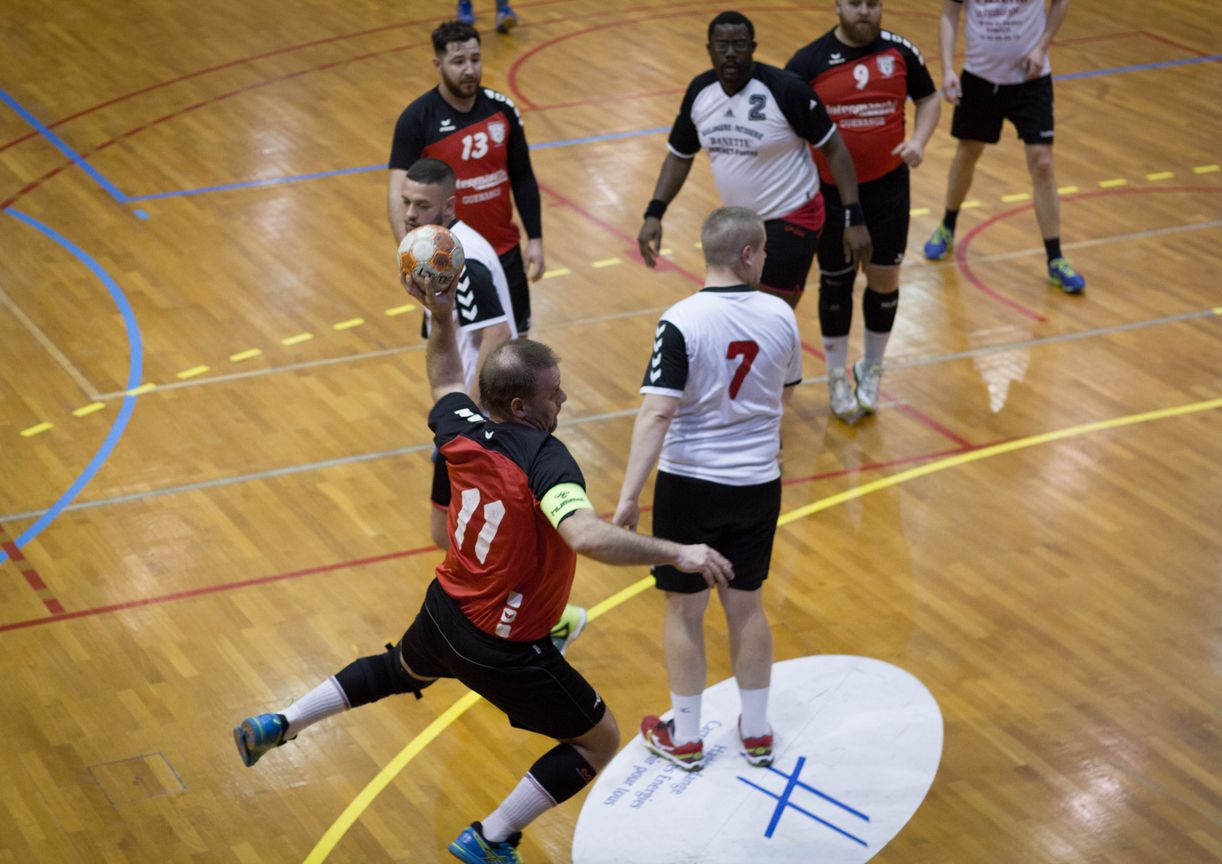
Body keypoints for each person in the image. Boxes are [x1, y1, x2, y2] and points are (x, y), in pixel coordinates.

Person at [234, 270, 733, 864]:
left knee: (398, 669)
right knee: (598, 741)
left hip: (445, 610)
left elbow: (446, 378)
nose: (564, 400)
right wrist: (677, 551)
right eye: (554, 393)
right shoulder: (546, 458)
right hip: (503, 647)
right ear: (522, 406)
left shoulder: (460, 425)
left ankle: (282, 721)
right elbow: (584, 535)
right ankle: (492, 837)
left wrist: (442, 315)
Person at [613, 206, 802, 772]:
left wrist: (629, 494)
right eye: (762, 250)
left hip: (690, 486)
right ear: (747, 254)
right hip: (757, 483)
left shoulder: (681, 321)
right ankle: (758, 732)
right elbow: (785, 391)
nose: (765, 259)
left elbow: (657, 413)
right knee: (747, 605)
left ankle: (688, 737)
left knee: (684, 609)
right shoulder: (781, 315)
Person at [402, 157, 587, 654]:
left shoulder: (464, 259)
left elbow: (499, 334)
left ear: (449, 206)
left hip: (482, 425)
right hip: (468, 414)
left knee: (464, 533)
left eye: (422, 205)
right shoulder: (438, 249)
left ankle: (542, 617)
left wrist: (474, 422)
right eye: (406, 203)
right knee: (446, 530)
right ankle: (524, 612)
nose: (411, 214)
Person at [638, 10, 872, 311]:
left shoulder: (786, 90)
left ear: (753, 47)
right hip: (739, 224)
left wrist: (854, 217)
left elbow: (835, 149)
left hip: (792, 216)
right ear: (710, 49)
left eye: (739, 44)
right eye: (722, 45)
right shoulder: (700, 92)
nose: (731, 53)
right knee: (742, 314)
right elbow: (680, 156)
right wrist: (654, 213)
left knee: (768, 315)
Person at [786, 0, 941, 420]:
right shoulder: (809, 61)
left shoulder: (901, 52)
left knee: (884, 279)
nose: (864, 12)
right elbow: (786, 121)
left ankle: (871, 368)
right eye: (855, 3)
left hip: (888, 189)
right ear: (838, 6)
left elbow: (929, 98)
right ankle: (836, 375)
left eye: (873, 3)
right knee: (836, 280)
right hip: (830, 193)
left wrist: (919, 141)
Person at [389, 20, 544, 337]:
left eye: (475, 59)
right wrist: (410, 255)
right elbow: (397, 193)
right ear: (438, 64)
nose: (470, 69)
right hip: (447, 261)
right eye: (458, 61)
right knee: (452, 349)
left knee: (516, 348)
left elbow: (523, 176)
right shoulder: (416, 119)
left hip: (504, 254)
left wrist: (536, 238)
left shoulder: (502, 109)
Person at [922, 0, 1085, 294]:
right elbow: (949, 14)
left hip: (1031, 79)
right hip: (980, 80)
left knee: (1043, 163)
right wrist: (947, 69)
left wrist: (1042, 47)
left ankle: (1055, 259)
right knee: (968, 153)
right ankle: (947, 225)